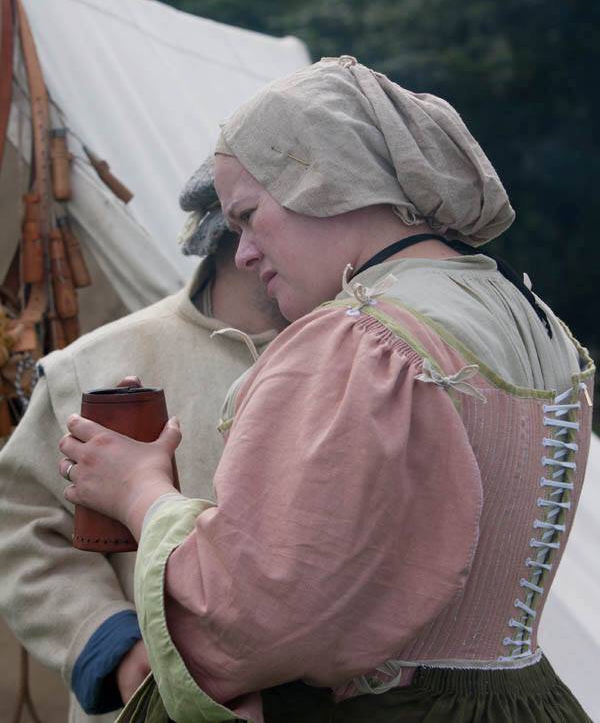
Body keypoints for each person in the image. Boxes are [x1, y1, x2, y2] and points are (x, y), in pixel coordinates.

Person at [58, 56, 594, 723]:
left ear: (327, 179)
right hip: (531, 704)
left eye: (250, 216)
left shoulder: (359, 339)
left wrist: (140, 491)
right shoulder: (538, 320)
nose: (245, 253)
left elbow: (248, 622)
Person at [0, 160, 285, 723]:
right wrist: (119, 652)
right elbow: (20, 527)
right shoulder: (91, 367)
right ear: (236, 231)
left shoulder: (370, 357)